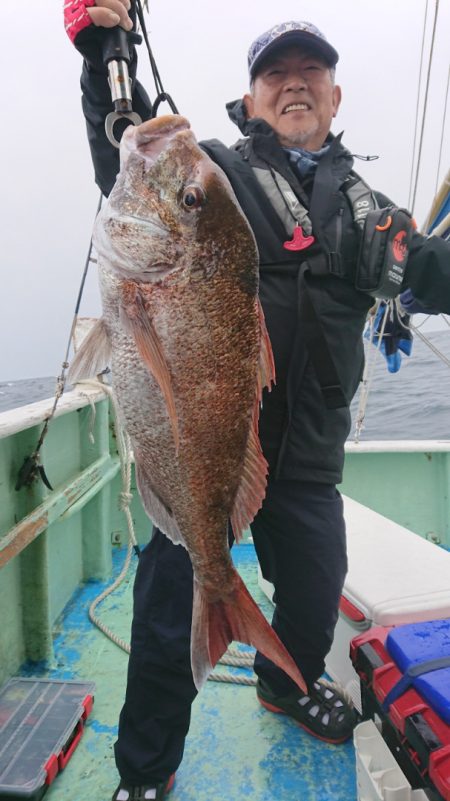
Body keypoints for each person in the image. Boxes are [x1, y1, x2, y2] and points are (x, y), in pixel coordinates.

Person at [64, 6, 450, 800]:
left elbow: (437, 272)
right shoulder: (213, 176)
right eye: (277, 73)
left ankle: (285, 681)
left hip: (305, 453)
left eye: (311, 72)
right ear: (251, 98)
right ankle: (145, 770)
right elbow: (124, 151)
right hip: (201, 446)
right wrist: (103, 50)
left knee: (315, 591)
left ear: (336, 96)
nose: (295, 84)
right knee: (166, 610)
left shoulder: (373, 216)